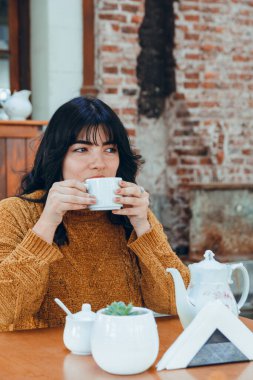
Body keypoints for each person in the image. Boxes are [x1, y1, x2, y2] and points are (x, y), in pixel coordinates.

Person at [0, 96, 189, 331]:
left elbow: (173, 302)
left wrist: (143, 226)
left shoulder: (132, 214)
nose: (99, 163)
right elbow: (6, 310)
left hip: (119, 353)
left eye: (110, 149)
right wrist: (47, 222)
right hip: (44, 360)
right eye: (81, 149)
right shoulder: (14, 212)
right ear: (57, 157)